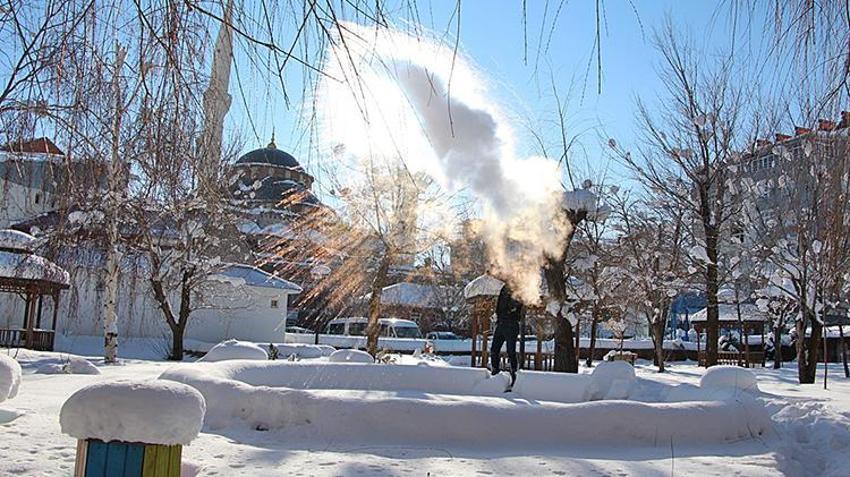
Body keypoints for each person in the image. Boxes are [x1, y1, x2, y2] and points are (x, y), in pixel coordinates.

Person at [491, 283, 523, 386]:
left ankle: (514, 374)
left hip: (511, 324)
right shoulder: (504, 288)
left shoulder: (519, 288)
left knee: (511, 351)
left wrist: (511, 309)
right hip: (501, 323)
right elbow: (499, 305)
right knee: (494, 349)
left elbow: (517, 305)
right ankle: (495, 372)